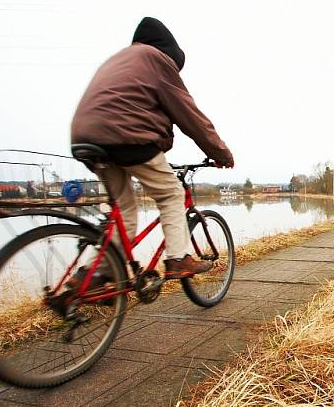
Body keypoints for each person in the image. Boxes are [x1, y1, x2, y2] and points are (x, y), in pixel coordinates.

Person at [71, 17, 233, 278]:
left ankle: (93, 276)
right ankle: (178, 259)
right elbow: (189, 115)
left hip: (86, 136)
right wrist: (220, 153)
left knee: (123, 209)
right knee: (171, 194)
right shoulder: (156, 59)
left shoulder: (120, 59)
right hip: (126, 137)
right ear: (170, 53)